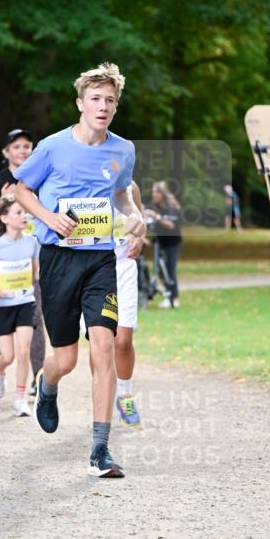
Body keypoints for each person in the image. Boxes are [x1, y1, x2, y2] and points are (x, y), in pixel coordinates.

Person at [14, 61, 145, 479]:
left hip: (100, 258)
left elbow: (123, 195)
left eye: (110, 100)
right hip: (57, 259)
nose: (103, 106)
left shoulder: (122, 150)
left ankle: (100, 449)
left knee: (103, 345)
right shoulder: (53, 146)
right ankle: (46, 384)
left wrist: (136, 216)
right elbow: (21, 189)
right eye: (95, 99)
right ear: (80, 103)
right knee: (66, 359)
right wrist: (48, 218)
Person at [0, 129, 45, 393]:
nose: (22, 151)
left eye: (27, 146)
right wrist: (3, 201)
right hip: (3, 261)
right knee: (3, 325)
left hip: (33, 257)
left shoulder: (41, 177)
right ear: (7, 152)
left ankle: (36, 376)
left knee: (35, 318)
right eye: (16, 147)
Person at [0, 198, 40, 416]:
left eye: (25, 213)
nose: (24, 216)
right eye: (18, 212)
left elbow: (35, 272)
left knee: (24, 351)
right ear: (5, 218)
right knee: (8, 356)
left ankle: (20, 398)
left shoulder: (32, 242)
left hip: (25, 302)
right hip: (2, 305)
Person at [111, 181, 146, 426]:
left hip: (124, 268)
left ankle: (124, 394)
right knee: (100, 342)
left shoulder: (130, 187)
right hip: (93, 271)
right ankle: (102, 394)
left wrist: (140, 240)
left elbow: (140, 223)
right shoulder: (84, 181)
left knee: (123, 340)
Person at [146, 180, 183, 308]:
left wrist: (156, 217)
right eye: (152, 192)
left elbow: (170, 225)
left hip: (173, 243)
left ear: (162, 194)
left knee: (170, 269)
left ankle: (175, 297)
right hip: (159, 242)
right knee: (161, 270)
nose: (153, 195)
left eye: (155, 192)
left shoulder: (172, 208)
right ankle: (168, 296)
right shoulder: (153, 206)